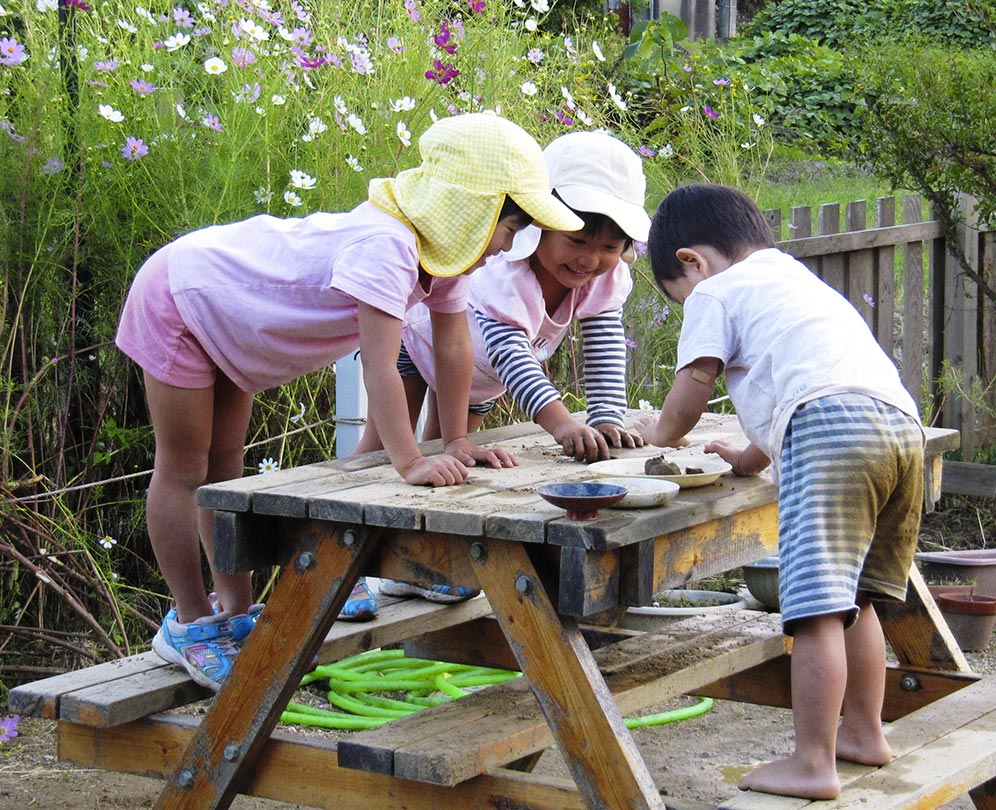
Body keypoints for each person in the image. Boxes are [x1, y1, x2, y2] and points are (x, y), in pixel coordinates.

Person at [114, 112, 583, 690]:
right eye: (508, 230)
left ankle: (233, 613)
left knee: (224, 475)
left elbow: (455, 345)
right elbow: (382, 365)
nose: (505, 247)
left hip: (231, 321)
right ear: (470, 211)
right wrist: (410, 460)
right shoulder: (387, 246)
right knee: (185, 470)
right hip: (185, 299)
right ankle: (189, 622)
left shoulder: (443, 255)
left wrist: (457, 438)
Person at [635, 183, 924, 801]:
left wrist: (659, 431)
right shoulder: (791, 279)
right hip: (899, 425)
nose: (687, 301)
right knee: (860, 597)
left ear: (692, 261)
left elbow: (696, 377)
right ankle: (864, 733)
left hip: (830, 428)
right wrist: (748, 456)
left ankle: (813, 762)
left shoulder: (713, 290)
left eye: (676, 294)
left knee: (816, 605)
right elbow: (796, 378)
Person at [377, 129, 652, 604]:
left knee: (456, 472)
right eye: (578, 240)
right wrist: (562, 424)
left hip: (476, 381)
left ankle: (420, 569)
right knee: (383, 458)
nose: (590, 259)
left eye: (610, 248)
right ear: (538, 225)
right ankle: (370, 563)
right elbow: (510, 354)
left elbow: (604, 343)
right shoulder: (509, 274)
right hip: (420, 340)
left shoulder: (603, 280)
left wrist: (607, 417)